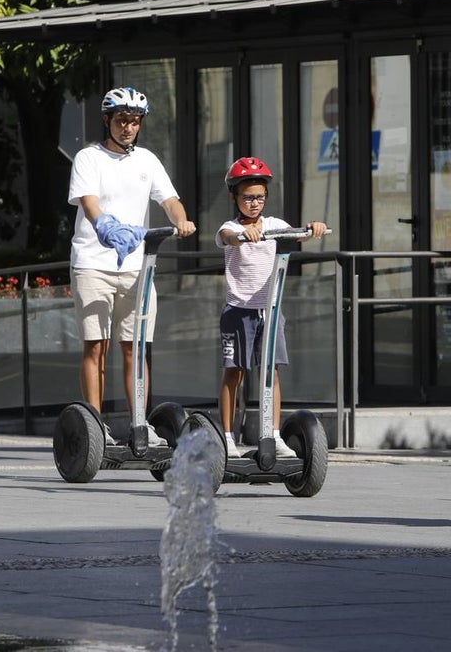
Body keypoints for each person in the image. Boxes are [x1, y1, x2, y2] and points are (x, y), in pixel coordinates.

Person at [68, 86, 196, 446]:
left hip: (137, 265)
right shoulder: (88, 158)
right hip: (94, 262)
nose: (128, 127)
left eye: (135, 121)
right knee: (97, 344)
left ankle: (140, 423)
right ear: (107, 120)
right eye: (122, 120)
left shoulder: (147, 161)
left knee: (135, 346)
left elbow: (170, 199)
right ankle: (95, 428)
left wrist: (181, 220)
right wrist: (103, 225)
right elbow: (89, 201)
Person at [216, 157, 328, 458]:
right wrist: (242, 236)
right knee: (234, 372)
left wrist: (313, 228)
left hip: (271, 311)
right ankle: (227, 437)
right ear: (235, 198)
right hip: (239, 311)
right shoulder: (230, 227)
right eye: (248, 197)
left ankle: (272, 434)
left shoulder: (274, 225)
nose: (254, 204)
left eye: (259, 197)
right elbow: (228, 238)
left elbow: (298, 233)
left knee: (270, 373)